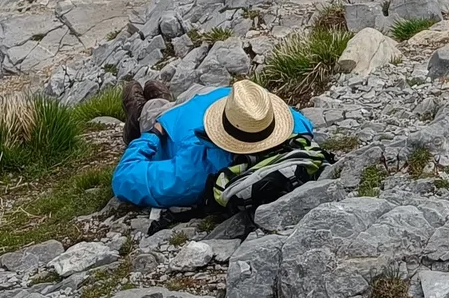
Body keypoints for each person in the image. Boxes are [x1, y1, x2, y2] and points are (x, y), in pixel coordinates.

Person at [111, 78, 312, 210]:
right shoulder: (294, 130)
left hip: (198, 110)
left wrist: (152, 135)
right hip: (221, 102)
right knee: (189, 96)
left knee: (155, 112)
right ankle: (162, 102)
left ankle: (140, 114)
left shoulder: (195, 167)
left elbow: (124, 177)